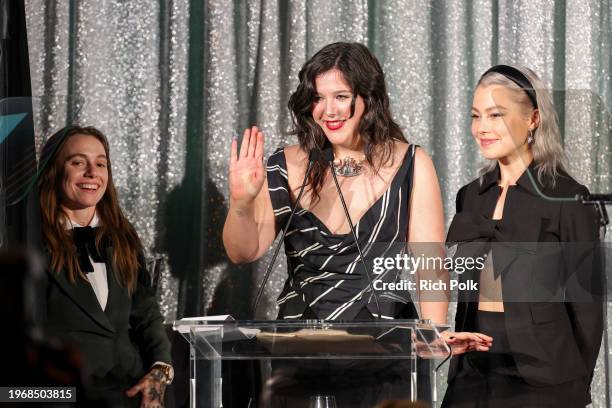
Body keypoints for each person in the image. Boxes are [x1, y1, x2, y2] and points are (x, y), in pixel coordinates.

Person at [223, 42, 489, 406]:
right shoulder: (285, 164)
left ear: (368, 97)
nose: (328, 110)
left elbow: (431, 266)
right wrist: (241, 202)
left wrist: (434, 333)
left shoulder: (411, 163)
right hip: (301, 350)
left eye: (341, 96)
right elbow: (243, 251)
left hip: (384, 350)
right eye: (318, 98)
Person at [442, 65, 604, 407]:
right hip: (473, 372)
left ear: (533, 119)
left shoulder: (568, 198)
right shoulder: (469, 196)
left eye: (495, 115)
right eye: (476, 116)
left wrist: (575, 389)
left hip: (544, 378)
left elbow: (588, 313)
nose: (482, 128)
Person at [38, 125, 173, 408]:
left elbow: (146, 314)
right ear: (53, 170)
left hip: (129, 392)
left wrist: (159, 374)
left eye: (101, 163)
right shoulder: (30, 241)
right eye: (78, 162)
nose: (92, 173)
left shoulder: (123, 236)